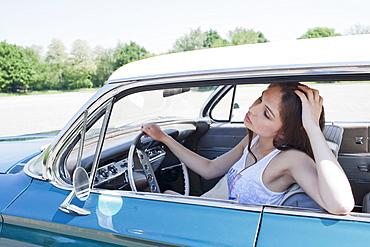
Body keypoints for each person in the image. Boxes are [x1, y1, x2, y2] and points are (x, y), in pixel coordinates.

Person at [141, 82, 354, 215]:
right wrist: (163, 138)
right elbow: (209, 169)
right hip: (205, 210)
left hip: (220, 228)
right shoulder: (253, 139)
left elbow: (341, 205)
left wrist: (311, 126)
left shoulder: (290, 160)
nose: (252, 109)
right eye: (260, 99)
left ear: (284, 133)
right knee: (163, 196)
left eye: (267, 113)